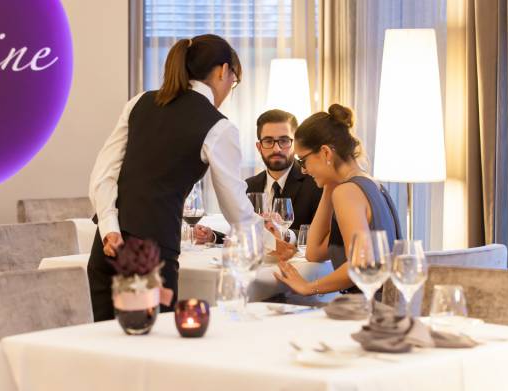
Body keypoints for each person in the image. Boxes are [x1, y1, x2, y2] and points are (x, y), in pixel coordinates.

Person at [88, 34, 276, 321]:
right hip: (152, 257)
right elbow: (235, 208)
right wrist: (272, 243)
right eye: (233, 81)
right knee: (152, 351)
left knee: (102, 346)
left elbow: (103, 174)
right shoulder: (218, 128)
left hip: (106, 252)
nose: (229, 89)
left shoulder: (140, 103)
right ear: (222, 71)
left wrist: (111, 228)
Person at [273, 104, 402, 296]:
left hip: (365, 308)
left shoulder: (347, 192)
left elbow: (361, 263)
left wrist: (309, 287)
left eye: (303, 160)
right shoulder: (369, 184)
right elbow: (314, 252)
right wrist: (328, 186)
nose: (303, 170)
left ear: (325, 153)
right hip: (387, 305)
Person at [194, 109, 322, 244]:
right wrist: (213, 237)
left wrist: (286, 234)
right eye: (268, 141)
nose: (276, 149)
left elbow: (323, 237)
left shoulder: (315, 183)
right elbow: (243, 232)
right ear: (259, 147)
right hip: (257, 263)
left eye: (284, 141)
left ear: (295, 145)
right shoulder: (248, 186)